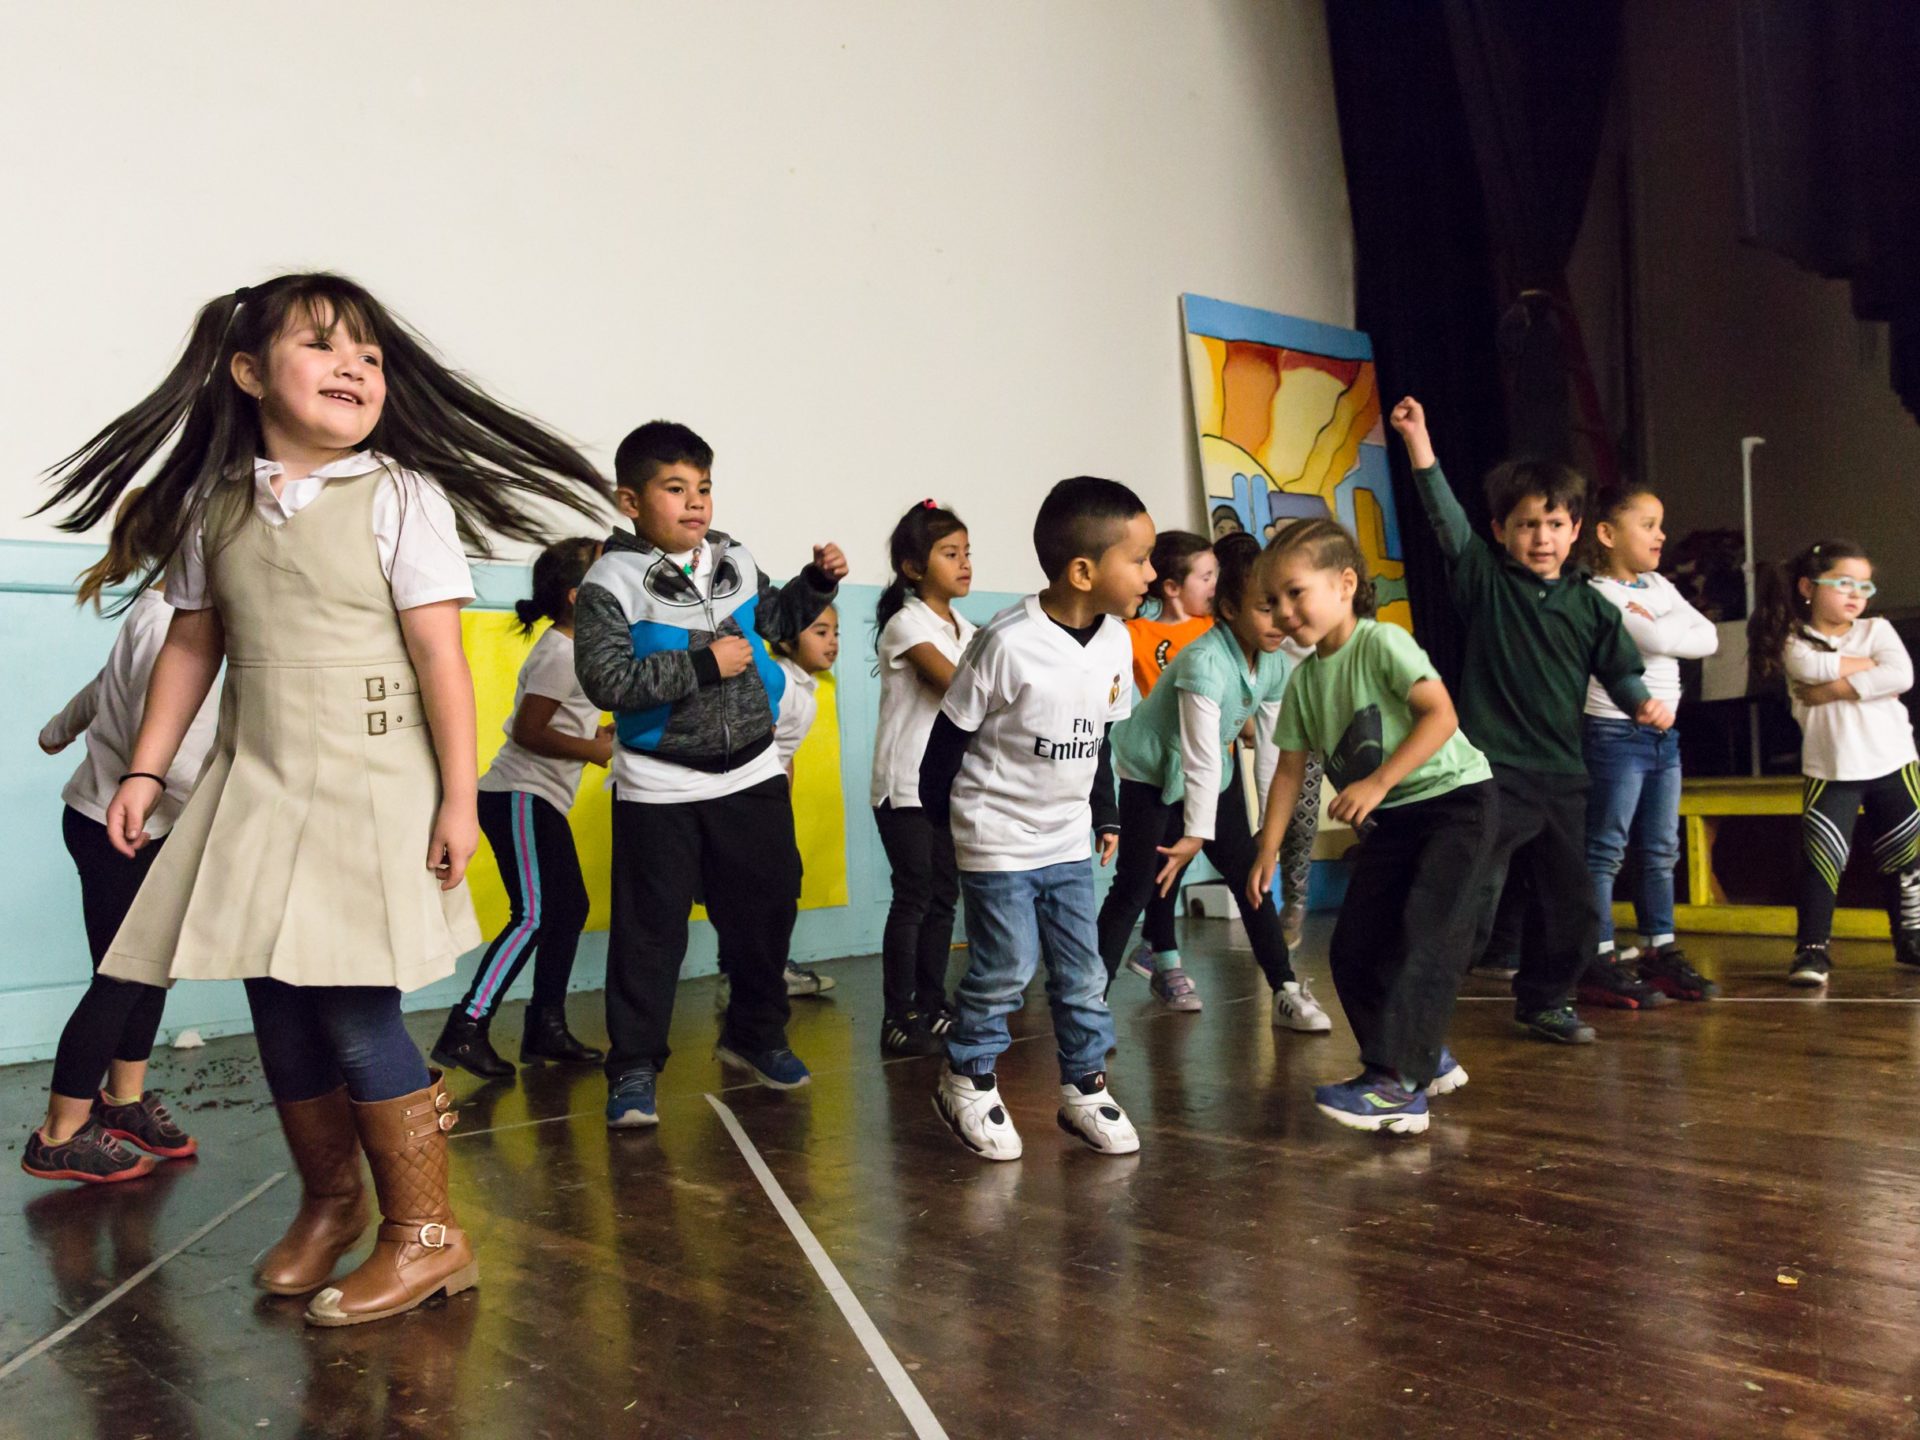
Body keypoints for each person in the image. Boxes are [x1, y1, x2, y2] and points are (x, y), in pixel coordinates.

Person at [50, 272, 608, 1325]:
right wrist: (140, 769)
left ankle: (428, 1237)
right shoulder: (215, 507)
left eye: (371, 354)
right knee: (273, 997)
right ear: (251, 373)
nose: (356, 367)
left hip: (369, 782)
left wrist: (456, 800)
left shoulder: (400, 496)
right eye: (322, 346)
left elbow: (444, 662)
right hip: (253, 783)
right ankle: (330, 1205)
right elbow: (192, 647)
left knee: (354, 1006)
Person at [575, 421, 844, 1130]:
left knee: (765, 911)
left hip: (750, 772)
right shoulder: (609, 581)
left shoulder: (732, 556)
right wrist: (702, 665)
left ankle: (755, 1035)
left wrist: (816, 583)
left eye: (704, 488)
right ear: (630, 500)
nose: (696, 503)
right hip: (660, 784)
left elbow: (776, 618)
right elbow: (606, 680)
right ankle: (633, 1068)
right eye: (675, 489)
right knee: (650, 934)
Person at [1390, 396, 1671, 1045]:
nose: (1540, 537)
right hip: (1491, 774)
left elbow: (1621, 670)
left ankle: (1544, 999)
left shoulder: (1593, 608)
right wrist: (1418, 440)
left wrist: (1641, 704)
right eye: (1524, 525)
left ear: (1576, 530)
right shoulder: (1484, 581)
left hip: (1562, 778)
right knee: (1468, 897)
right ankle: (1414, 999)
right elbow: (1445, 518)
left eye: (1553, 523)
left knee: (1573, 905)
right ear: (1500, 531)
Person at [921, 475, 1152, 1161]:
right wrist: (947, 829)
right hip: (995, 835)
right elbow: (948, 739)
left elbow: (1101, 736)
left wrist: (1104, 814)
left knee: (1082, 971)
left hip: (1064, 837)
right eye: (1137, 560)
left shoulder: (1115, 640)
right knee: (1008, 964)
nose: (1150, 573)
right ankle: (966, 1075)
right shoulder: (1007, 641)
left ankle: (1084, 1087)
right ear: (1084, 571)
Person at [1251, 519, 1495, 1133]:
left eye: (1295, 593)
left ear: (1345, 584)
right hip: (1394, 823)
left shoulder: (1381, 643)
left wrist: (1378, 781)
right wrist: (1268, 848)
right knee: (1355, 953)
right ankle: (1420, 1056)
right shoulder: (1303, 681)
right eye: (1271, 601)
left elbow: (1440, 715)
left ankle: (1397, 1085)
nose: (1283, 612)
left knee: (1426, 938)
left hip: (1455, 805)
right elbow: (1288, 773)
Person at [21, 489, 220, 1184]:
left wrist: (57, 731)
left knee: (148, 973)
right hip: (122, 827)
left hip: (124, 821)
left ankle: (124, 1101)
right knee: (120, 978)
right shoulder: (181, 622)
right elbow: (181, 748)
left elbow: (105, 688)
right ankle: (59, 1132)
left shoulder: (158, 607)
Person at [1097, 532, 1330, 1030]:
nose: (1283, 620)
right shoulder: (1205, 661)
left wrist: (1269, 834)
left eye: (1287, 604)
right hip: (1151, 776)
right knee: (1135, 887)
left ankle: (1285, 988)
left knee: (1251, 878)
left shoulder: (1270, 662)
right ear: (1228, 608)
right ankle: (1086, 1003)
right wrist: (1195, 835)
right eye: (1266, 608)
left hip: (1211, 779)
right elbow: (1198, 757)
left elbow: (1272, 750)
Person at [431, 537, 611, 1081]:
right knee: (533, 914)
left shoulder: (575, 650)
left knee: (568, 908)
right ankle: (466, 1027)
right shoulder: (561, 652)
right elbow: (532, 732)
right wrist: (595, 750)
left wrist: (598, 734)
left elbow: (561, 723)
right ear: (580, 597)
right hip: (518, 797)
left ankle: (545, 1028)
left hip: (537, 800)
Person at [1747, 540, 1920, 987]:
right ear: (1808, 586)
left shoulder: (1878, 630)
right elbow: (1810, 667)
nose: (1856, 595)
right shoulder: (1793, 639)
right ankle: (1812, 949)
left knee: (1906, 858)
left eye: (1864, 586)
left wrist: (1836, 688)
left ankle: (1911, 938)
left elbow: (1901, 675)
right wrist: (1868, 671)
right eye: (1844, 583)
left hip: (1894, 762)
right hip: (1832, 769)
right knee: (1823, 860)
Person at [1581, 482, 1720, 1002]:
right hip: (1615, 733)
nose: (1661, 536)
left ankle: (1660, 948)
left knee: (1661, 849)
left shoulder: (1658, 585)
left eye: (1660, 525)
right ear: (1607, 533)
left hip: (1665, 738)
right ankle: (1596, 955)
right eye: (1648, 525)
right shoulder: (1597, 591)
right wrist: (1670, 624)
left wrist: (1666, 619)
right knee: (1606, 849)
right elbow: (1665, 641)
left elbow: (1709, 636)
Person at [870, 502, 974, 1054]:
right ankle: (897, 1012)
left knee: (943, 897)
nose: (964, 564)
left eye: (967, 553)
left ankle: (933, 1003)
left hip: (947, 788)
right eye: (949, 554)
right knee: (913, 895)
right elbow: (960, 690)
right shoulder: (905, 622)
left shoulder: (970, 629)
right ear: (913, 568)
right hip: (904, 784)